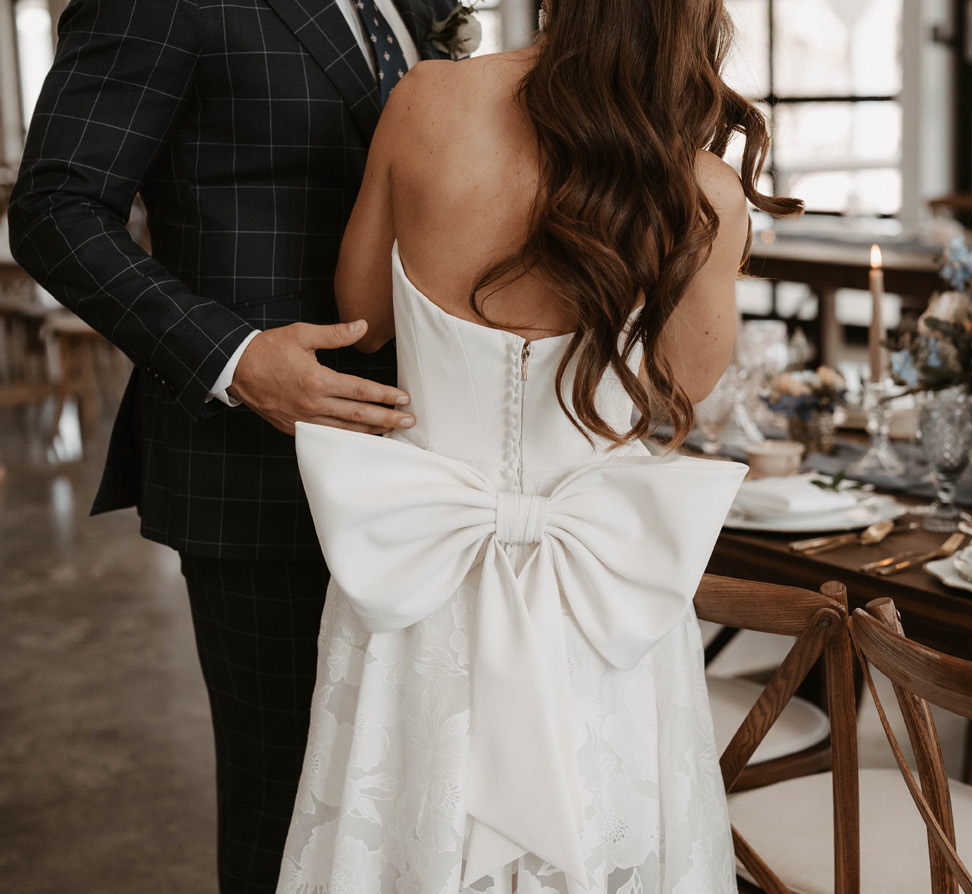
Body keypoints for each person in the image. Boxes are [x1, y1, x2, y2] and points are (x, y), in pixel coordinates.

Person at [275, 0, 801, 890]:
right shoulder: (701, 188)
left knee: (404, 823)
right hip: (599, 597)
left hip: (423, 583)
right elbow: (684, 390)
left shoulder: (426, 101)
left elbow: (359, 316)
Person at [6, 1, 463, 891]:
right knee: (289, 807)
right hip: (258, 475)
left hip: (427, 473)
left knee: (405, 801)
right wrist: (234, 356)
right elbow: (56, 208)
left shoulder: (414, 7)